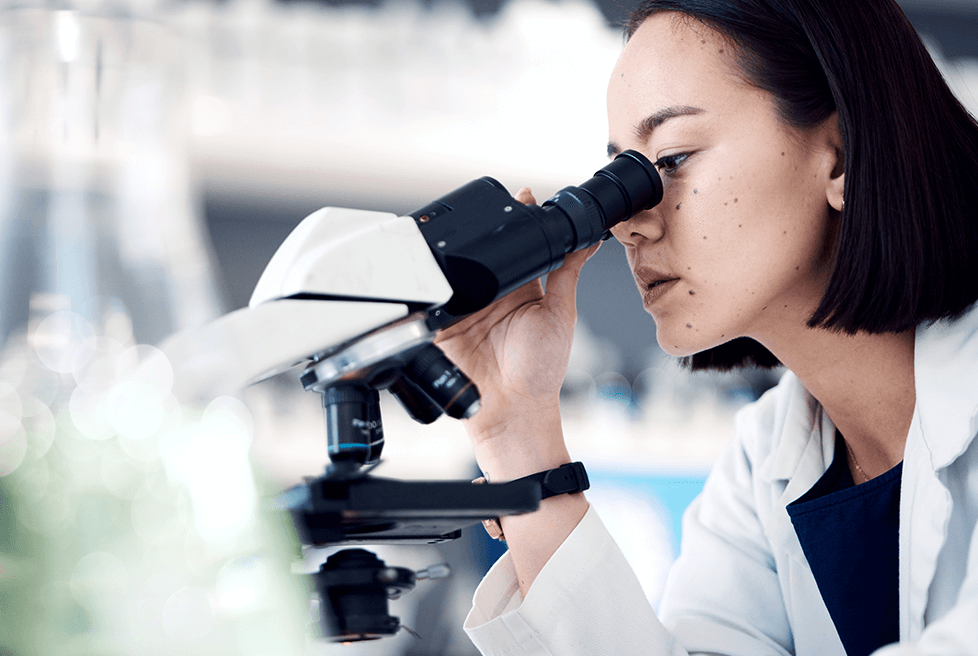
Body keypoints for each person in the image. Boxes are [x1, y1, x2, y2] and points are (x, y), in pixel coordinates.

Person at [435, 0, 978, 654]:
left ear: (839, 158)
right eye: (622, 176)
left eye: (671, 158)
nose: (628, 224)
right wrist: (517, 428)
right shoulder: (765, 464)